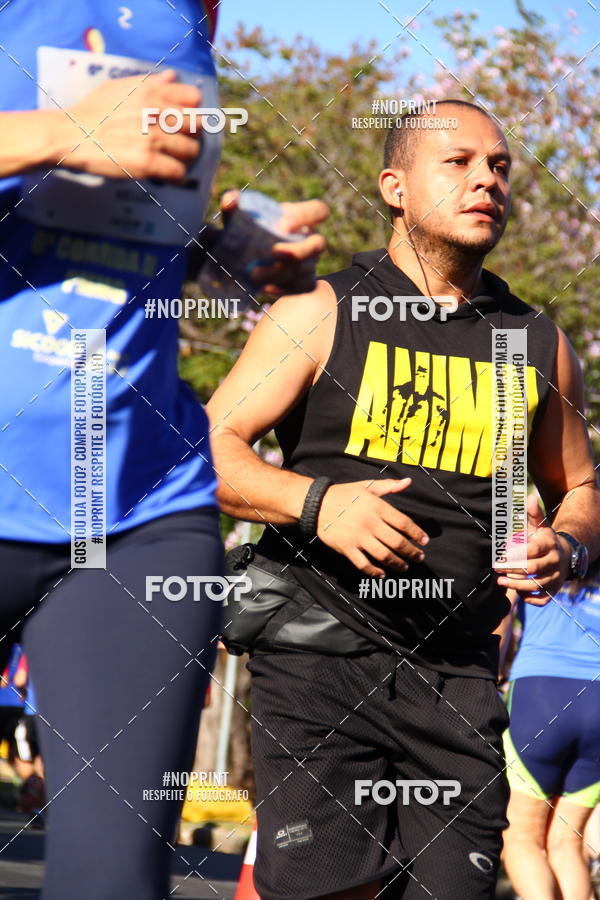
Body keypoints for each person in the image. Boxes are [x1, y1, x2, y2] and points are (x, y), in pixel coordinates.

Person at [207, 99, 600, 899]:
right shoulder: (319, 313)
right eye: (457, 162)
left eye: (499, 167)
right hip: (318, 657)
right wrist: (320, 503)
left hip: (459, 678)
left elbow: (582, 487)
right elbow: (205, 453)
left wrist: (571, 543)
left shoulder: (535, 342)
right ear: (394, 184)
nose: (486, 180)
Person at [0, 2, 327, 897]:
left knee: (113, 880)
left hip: (143, 500)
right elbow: (70, 147)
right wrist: (59, 132)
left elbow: (79, 235)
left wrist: (221, 250)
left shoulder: (191, 17)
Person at [501, 558, 600, 900]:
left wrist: (493, 673)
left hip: (539, 692)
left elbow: (503, 608)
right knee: (566, 842)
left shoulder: (541, 553)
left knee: (520, 837)